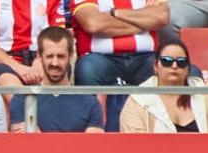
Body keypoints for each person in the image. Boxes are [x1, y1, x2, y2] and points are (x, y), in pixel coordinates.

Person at [71, 0, 171, 132]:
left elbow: (161, 16)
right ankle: (94, 131)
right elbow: (94, 23)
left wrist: (115, 13)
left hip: (146, 58)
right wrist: (143, 22)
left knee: (181, 70)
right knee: (87, 69)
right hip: (101, 59)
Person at [119, 39, 208, 133]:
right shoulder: (138, 100)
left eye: (181, 62)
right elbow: (134, 147)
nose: (174, 66)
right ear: (155, 66)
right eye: (167, 61)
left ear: (188, 69)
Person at [10, 27, 104, 133]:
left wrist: (39, 135)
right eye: (50, 56)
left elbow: (92, 147)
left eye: (61, 56)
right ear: (39, 56)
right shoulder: (22, 99)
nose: (55, 63)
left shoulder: (90, 103)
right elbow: (19, 145)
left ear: (70, 56)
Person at [0, 0, 65, 91]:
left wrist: (40, 62)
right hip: (0, 61)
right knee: (8, 81)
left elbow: (58, 39)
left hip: (42, 58)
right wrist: (20, 69)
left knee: (56, 68)